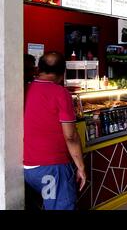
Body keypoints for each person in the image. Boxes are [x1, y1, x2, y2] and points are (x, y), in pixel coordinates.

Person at [24, 52, 86, 210]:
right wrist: (81, 167)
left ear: (39, 69)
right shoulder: (61, 93)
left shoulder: (26, 89)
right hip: (52, 168)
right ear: (62, 72)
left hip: (29, 168)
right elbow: (70, 136)